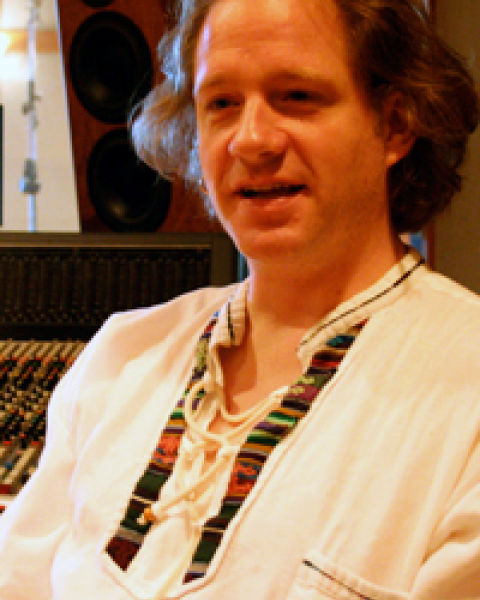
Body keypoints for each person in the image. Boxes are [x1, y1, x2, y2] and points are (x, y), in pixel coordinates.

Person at [0, 0, 479, 598]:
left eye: (296, 96)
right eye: (222, 103)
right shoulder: (122, 356)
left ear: (396, 123)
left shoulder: (465, 390)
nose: (250, 141)